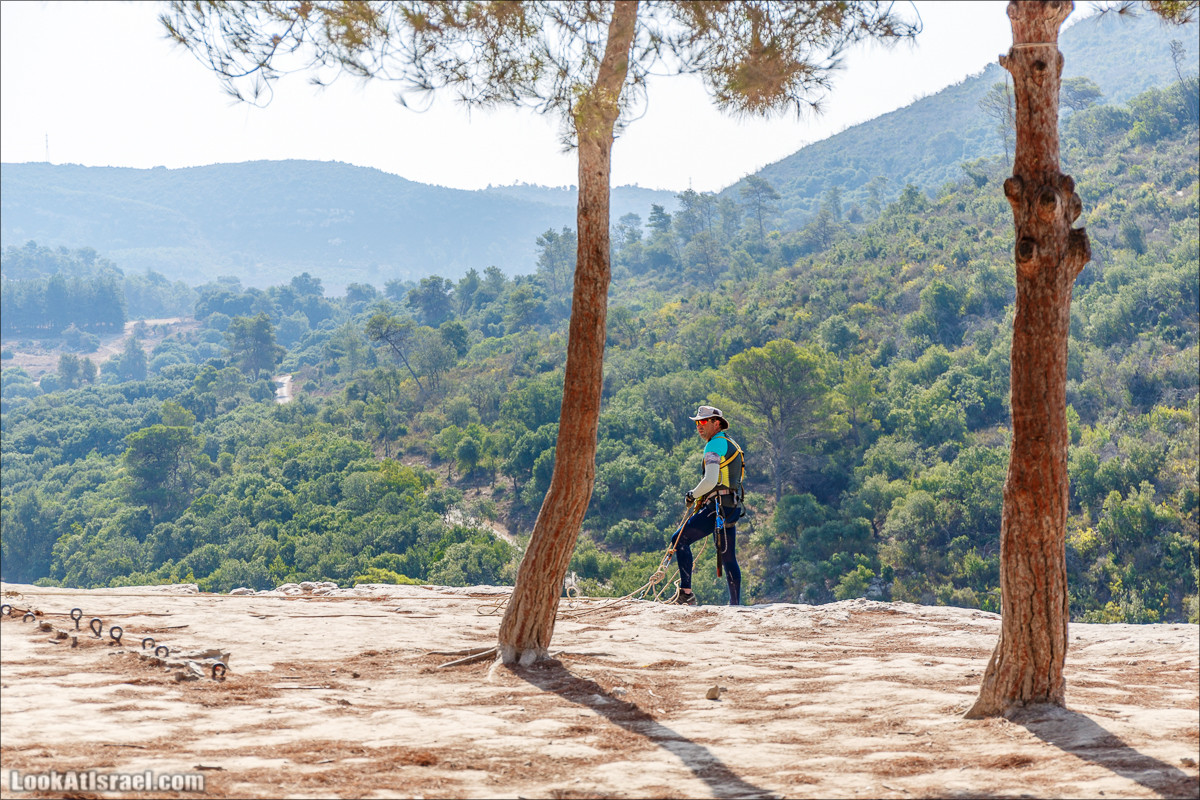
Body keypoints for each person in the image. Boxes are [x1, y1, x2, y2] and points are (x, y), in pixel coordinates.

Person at [666, 405, 745, 606]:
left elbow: (710, 481)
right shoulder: (730, 443)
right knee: (728, 557)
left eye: (703, 422)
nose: (699, 426)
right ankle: (735, 604)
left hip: (717, 507)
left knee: (679, 540)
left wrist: (692, 495)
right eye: (697, 423)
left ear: (716, 423)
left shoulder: (714, 446)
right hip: (731, 507)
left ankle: (686, 594)